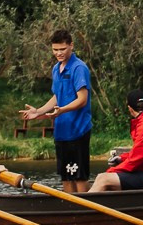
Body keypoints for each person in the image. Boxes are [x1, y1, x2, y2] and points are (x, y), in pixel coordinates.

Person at [20, 30, 94, 185]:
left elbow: (82, 99)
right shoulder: (56, 69)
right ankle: (70, 208)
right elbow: (57, 97)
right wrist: (39, 111)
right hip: (62, 131)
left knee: (79, 176)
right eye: (55, 50)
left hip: (78, 130)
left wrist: (63, 110)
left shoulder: (79, 68)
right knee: (66, 176)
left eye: (62, 49)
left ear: (71, 46)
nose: (59, 53)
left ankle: (83, 209)